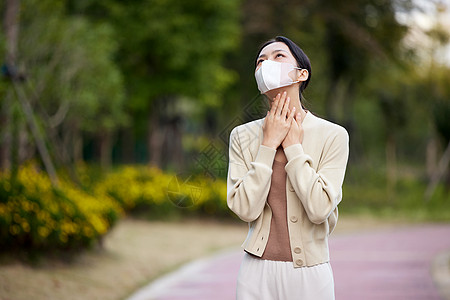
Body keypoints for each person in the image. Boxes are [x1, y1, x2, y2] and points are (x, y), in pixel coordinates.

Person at [226, 36, 349, 300]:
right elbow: (244, 208)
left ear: (301, 74)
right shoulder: (242, 135)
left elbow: (319, 209)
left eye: (278, 56)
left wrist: (293, 148)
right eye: (260, 61)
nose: (266, 64)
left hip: (311, 275)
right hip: (255, 274)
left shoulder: (333, 135)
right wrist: (268, 145)